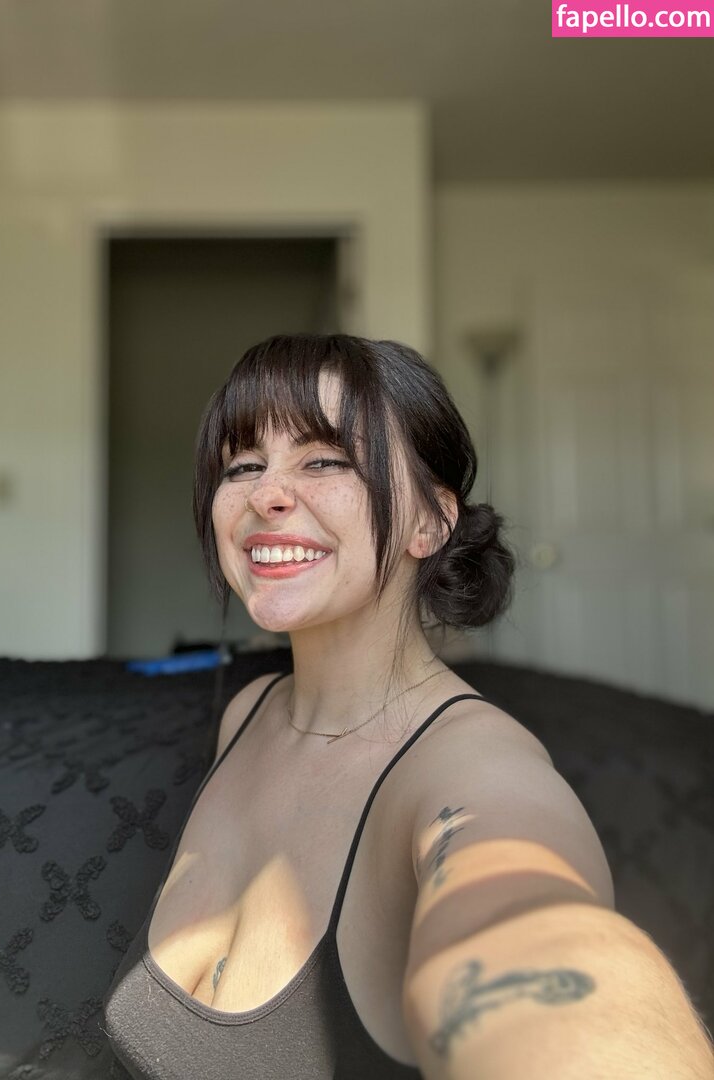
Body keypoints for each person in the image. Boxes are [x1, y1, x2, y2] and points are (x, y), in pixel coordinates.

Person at [104, 334, 712, 1079]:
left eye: (324, 460)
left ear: (431, 521)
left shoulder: (476, 772)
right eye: (243, 466)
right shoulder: (247, 714)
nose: (266, 495)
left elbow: (538, 941)